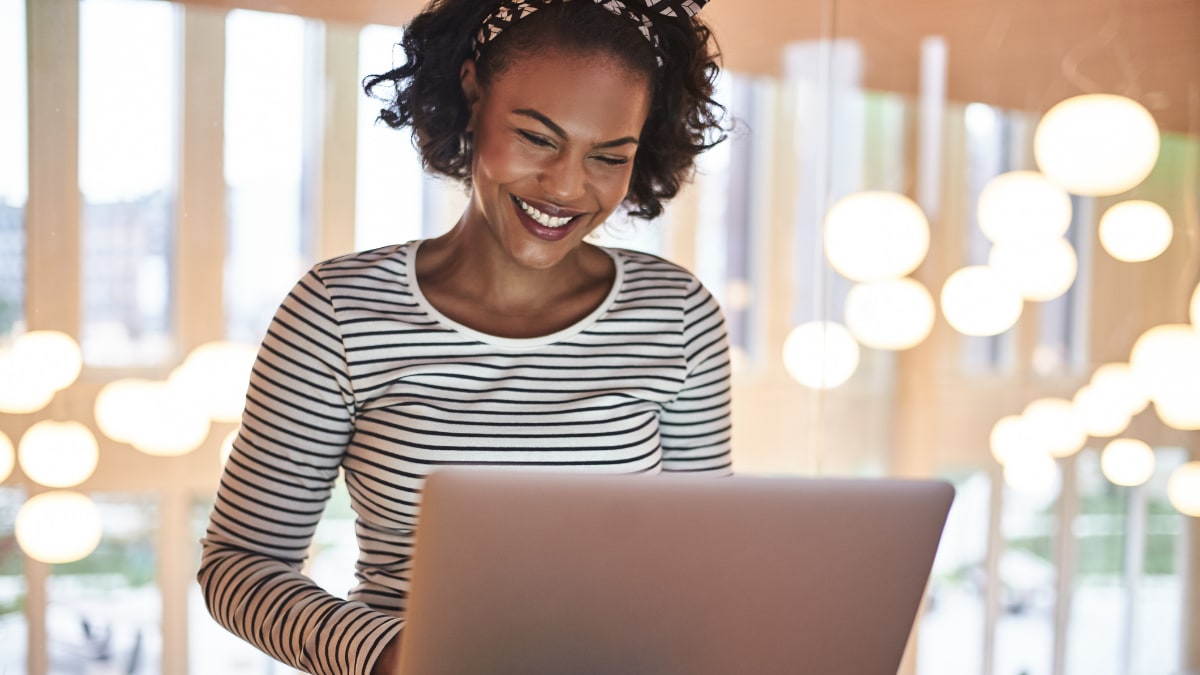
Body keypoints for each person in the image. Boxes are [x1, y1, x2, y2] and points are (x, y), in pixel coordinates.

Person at [197, 1, 732, 673]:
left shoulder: (677, 314)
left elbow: (703, 563)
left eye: (607, 156)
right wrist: (395, 656)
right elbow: (240, 564)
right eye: (537, 137)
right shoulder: (339, 310)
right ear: (474, 93)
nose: (567, 187)